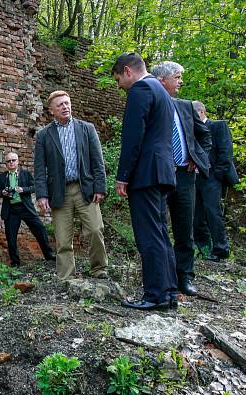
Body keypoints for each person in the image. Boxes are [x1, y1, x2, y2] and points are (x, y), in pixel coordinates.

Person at [111, 53, 177, 310]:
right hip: (162, 171)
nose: (119, 86)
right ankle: (168, 292)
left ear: (128, 71)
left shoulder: (140, 90)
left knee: (148, 236)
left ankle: (155, 295)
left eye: (118, 79)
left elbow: (133, 138)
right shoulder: (162, 92)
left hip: (146, 174)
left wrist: (122, 176)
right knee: (160, 233)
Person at [150, 61, 211, 297]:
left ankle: (185, 278)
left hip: (185, 176)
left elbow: (205, 137)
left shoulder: (185, 107)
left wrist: (199, 157)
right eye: (177, 77)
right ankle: (162, 277)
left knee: (185, 229)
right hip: (159, 176)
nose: (181, 82)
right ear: (162, 80)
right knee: (159, 228)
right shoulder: (151, 105)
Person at [33, 90, 109, 280]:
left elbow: (97, 161)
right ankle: (66, 276)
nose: (65, 107)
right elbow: (40, 168)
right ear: (51, 110)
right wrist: (41, 195)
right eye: (60, 105)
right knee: (62, 238)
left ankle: (99, 270)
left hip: (86, 189)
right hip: (59, 192)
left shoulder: (87, 128)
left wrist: (100, 187)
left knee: (95, 229)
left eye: (67, 103)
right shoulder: (44, 135)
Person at [0, 152, 55, 267]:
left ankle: (49, 255)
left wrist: (23, 189)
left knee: (40, 229)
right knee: (11, 237)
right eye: (8, 161)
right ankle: (15, 263)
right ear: (6, 164)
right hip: (11, 209)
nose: (11, 162)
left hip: (25, 207)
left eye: (13, 160)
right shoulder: (2, 177)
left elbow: (34, 187)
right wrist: (2, 192)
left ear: (18, 161)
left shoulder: (26, 174)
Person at [192, 101, 235, 261]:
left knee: (213, 212)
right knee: (196, 215)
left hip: (212, 178)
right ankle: (204, 248)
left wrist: (216, 175)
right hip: (195, 177)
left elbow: (226, 153)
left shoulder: (218, 126)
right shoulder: (192, 131)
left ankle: (221, 249)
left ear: (201, 112)